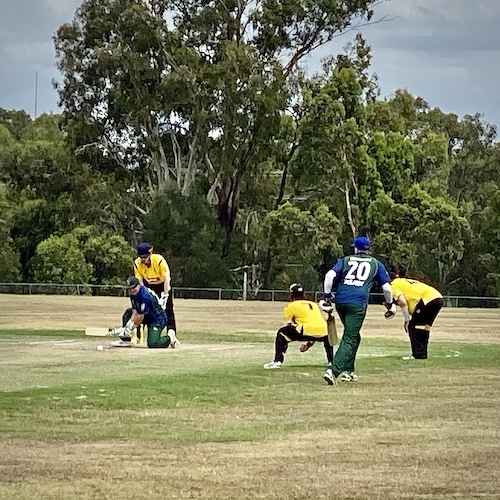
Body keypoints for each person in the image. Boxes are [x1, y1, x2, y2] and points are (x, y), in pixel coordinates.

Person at [322, 235, 395, 385]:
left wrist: (327, 296)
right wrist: (390, 304)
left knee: (355, 336)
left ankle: (348, 371)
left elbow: (329, 275)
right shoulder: (375, 264)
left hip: (341, 302)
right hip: (357, 304)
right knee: (350, 337)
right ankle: (333, 370)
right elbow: (387, 288)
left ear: (356, 248)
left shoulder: (346, 260)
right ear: (368, 249)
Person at [263, 283, 334, 369]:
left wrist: (285, 342)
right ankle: (331, 361)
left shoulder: (290, 306)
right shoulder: (313, 304)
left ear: (291, 295)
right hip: (324, 332)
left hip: (305, 331)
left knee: (282, 332)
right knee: (326, 333)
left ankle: (278, 361)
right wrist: (308, 344)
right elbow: (315, 326)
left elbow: (288, 325)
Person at [133, 242, 179, 348]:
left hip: (162, 285)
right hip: (149, 286)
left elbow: (167, 278)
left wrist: (165, 296)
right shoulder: (137, 263)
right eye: (141, 258)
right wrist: (144, 295)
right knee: (146, 308)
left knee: (168, 309)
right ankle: (138, 335)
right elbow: (140, 282)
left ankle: (171, 334)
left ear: (150, 253)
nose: (143, 260)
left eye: (145, 257)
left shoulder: (159, 261)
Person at [390, 273, 444, 359]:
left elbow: (402, 302)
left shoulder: (393, 284)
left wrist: (407, 319)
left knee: (412, 326)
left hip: (428, 299)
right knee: (424, 327)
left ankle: (417, 354)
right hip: (438, 297)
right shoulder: (403, 281)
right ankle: (422, 353)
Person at [111, 276, 172, 348]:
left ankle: (170, 338)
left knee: (153, 344)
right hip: (147, 315)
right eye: (130, 288)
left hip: (157, 320)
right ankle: (126, 339)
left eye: (134, 287)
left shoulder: (145, 296)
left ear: (138, 285)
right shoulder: (133, 294)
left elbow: (140, 317)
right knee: (128, 313)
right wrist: (127, 326)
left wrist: (130, 328)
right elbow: (135, 311)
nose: (132, 290)